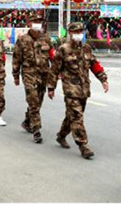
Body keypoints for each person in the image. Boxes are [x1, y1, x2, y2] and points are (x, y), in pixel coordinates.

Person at [46, 22, 109, 159]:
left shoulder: (86, 48)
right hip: (70, 89)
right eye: (76, 32)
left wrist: (103, 79)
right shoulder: (63, 49)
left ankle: (61, 135)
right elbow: (54, 70)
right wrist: (51, 87)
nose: (79, 34)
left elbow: (94, 64)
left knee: (72, 116)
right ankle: (83, 146)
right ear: (70, 33)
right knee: (77, 116)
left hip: (84, 89)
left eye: (81, 31)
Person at [12, 13, 54, 143]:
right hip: (28, 74)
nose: (37, 24)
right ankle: (36, 130)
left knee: (38, 102)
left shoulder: (46, 38)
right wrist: (16, 75)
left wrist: (57, 72)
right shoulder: (22, 40)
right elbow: (16, 58)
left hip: (43, 74)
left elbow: (53, 56)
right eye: (35, 21)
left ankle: (27, 121)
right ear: (29, 24)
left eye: (39, 21)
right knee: (33, 101)